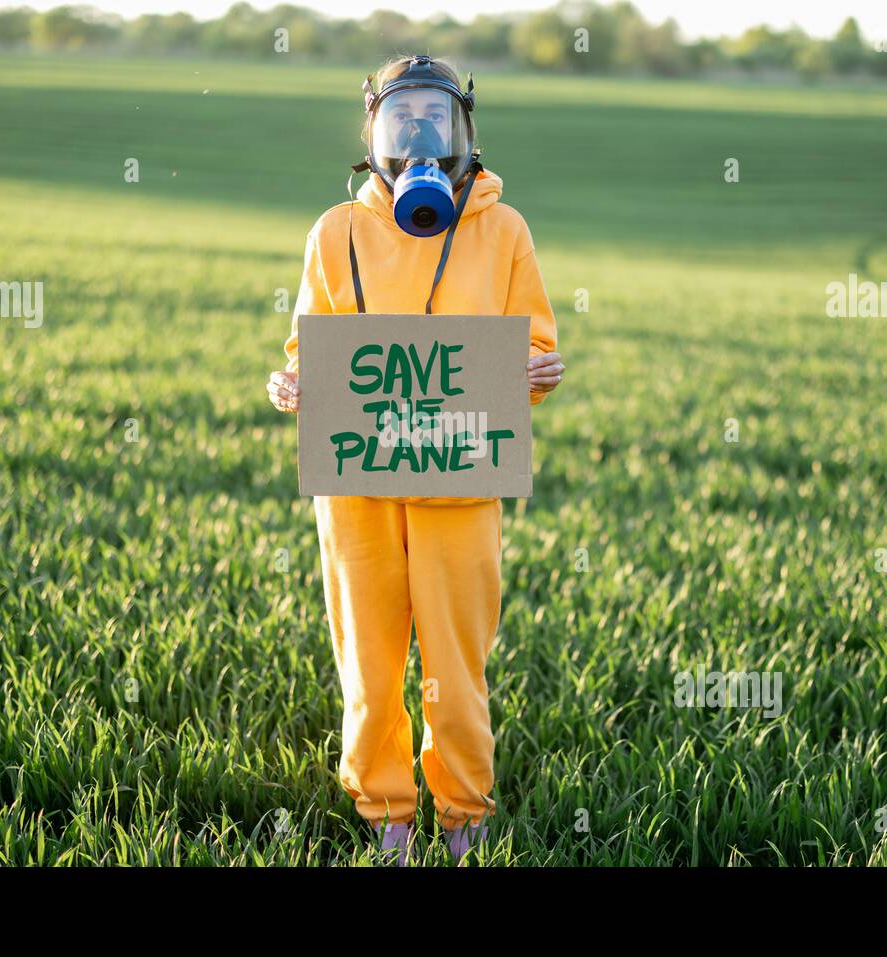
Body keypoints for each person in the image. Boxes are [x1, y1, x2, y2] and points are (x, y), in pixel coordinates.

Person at [266, 54, 564, 865]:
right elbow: (307, 348)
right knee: (366, 649)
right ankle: (387, 811)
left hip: (460, 488)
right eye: (403, 120)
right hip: (358, 494)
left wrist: (537, 370)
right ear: (373, 134)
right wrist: (290, 384)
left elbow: (533, 344)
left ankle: (464, 811)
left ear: (467, 134)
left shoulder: (504, 229)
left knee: (457, 660)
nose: (421, 137)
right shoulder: (335, 232)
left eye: (439, 120)